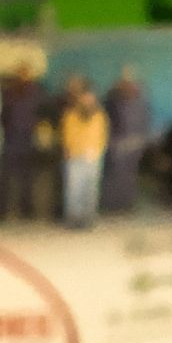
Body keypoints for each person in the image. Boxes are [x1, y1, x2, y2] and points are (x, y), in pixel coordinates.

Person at [0, 63, 47, 224]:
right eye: (21, 72)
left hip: (29, 138)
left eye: (26, 72)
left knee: (27, 177)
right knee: (6, 177)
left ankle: (27, 211)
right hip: (11, 138)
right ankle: (2, 211)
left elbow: (43, 113)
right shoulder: (9, 92)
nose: (23, 75)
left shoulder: (37, 92)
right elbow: (1, 114)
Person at [59, 77, 108, 229]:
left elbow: (103, 135)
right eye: (85, 97)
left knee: (91, 190)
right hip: (74, 157)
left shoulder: (99, 116)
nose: (87, 100)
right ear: (80, 98)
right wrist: (71, 150)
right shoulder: (71, 115)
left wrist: (98, 151)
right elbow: (67, 135)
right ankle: (73, 220)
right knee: (74, 190)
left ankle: (89, 219)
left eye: (90, 97)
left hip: (93, 158)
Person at [103, 68, 152, 217]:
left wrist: (141, 140)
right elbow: (107, 122)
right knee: (114, 175)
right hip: (117, 144)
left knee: (129, 176)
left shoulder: (141, 101)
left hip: (134, 144)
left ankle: (126, 204)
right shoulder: (112, 101)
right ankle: (112, 206)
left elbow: (145, 122)